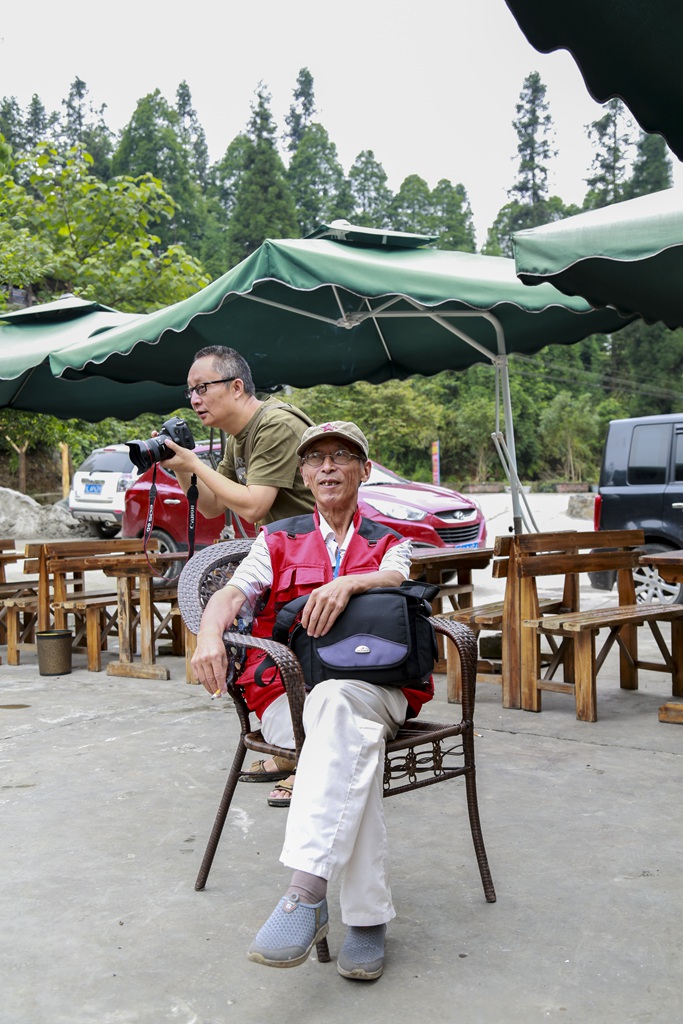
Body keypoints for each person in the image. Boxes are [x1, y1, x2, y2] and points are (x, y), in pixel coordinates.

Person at [191, 420, 433, 980]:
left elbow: (397, 575)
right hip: (291, 697)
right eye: (316, 458)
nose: (328, 466)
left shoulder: (389, 541)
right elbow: (234, 593)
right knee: (342, 733)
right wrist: (208, 633)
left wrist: (348, 583)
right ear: (302, 473)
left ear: (364, 471)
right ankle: (366, 921)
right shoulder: (274, 540)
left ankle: (305, 896)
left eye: (342, 456)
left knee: (341, 712)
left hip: (379, 692)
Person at [163, 345, 315, 801]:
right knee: (257, 660)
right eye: (190, 391)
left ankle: (310, 762)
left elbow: (253, 504)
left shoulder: (275, 424)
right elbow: (212, 505)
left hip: (315, 556)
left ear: (236, 386)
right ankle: (292, 749)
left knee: (289, 662)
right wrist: (182, 468)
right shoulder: (237, 438)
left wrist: (194, 465)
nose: (195, 399)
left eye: (203, 387)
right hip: (280, 555)